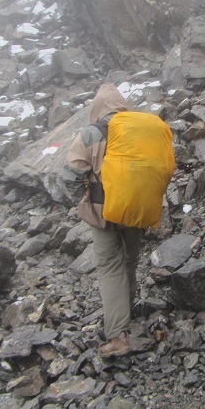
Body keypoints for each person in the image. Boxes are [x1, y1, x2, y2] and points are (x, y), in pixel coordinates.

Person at [61, 83, 141, 358]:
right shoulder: (139, 129)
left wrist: (82, 201)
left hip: (102, 209)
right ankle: (127, 313)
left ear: (96, 107)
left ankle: (118, 335)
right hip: (135, 207)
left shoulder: (90, 134)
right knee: (130, 261)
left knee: (109, 267)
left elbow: (71, 174)